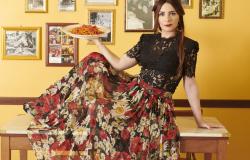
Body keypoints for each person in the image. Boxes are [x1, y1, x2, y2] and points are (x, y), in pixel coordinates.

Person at [23, 0, 219, 159]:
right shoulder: (146, 41)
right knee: (94, 65)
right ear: (156, 17)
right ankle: (48, 108)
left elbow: (190, 83)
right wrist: (98, 41)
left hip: (156, 106)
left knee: (108, 117)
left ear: (180, 16)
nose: (167, 18)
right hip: (132, 94)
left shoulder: (189, 46)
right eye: (161, 14)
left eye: (172, 13)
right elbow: (118, 64)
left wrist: (199, 119)